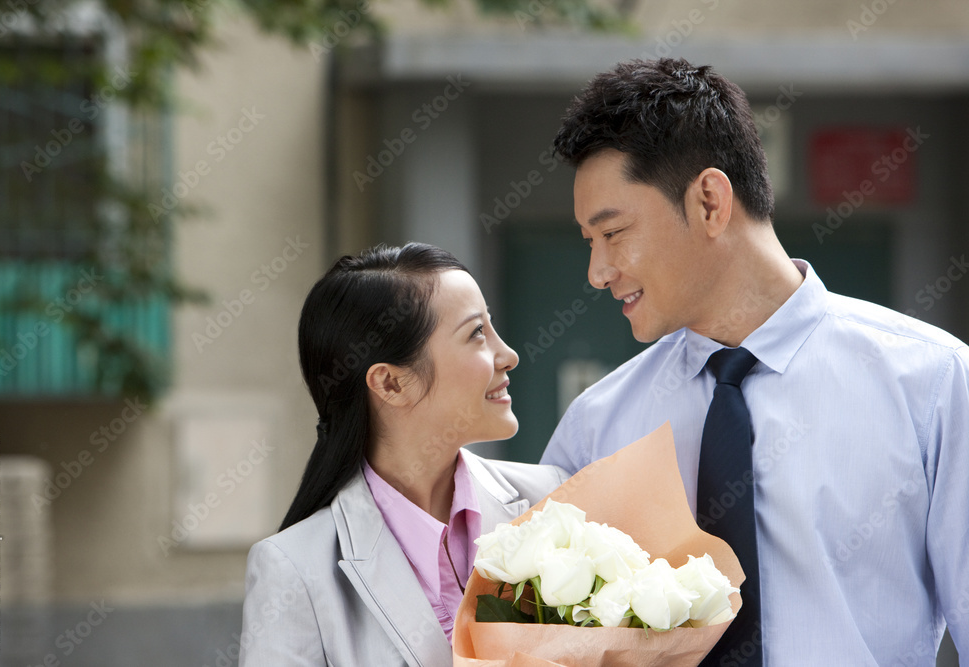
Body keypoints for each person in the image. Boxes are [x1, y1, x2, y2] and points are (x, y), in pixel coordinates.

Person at [540, 58, 969, 665]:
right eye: (590, 243)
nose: (598, 272)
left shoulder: (934, 384)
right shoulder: (596, 425)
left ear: (711, 201)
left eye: (613, 233)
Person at [239, 242, 568, 666]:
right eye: (476, 333)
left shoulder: (554, 501)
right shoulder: (294, 569)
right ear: (390, 384)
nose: (508, 355)